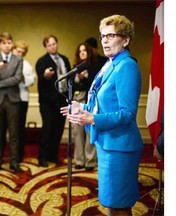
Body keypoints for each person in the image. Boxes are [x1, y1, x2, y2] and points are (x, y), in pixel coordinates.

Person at [60, 14, 143, 215]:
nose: (104, 40)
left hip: (120, 148)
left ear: (126, 40)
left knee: (119, 204)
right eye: (103, 35)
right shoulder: (109, 64)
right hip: (107, 145)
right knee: (111, 202)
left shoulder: (127, 66)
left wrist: (92, 119)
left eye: (111, 35)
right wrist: (82, 108)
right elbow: (102, 103)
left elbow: (127, 114)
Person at [0, 32, 23, 172]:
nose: (7, 45)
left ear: (11, 44)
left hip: (13, 100)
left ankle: (13, 162)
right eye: (4, 43)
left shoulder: (18, 59)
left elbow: (17, 78)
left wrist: (0, 83)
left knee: (14, 134)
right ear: (0, 44)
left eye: (9, 42)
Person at [36, 34, 71, 167]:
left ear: (57, 44)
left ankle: (53, 155)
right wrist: (45, 75)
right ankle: (42, 157)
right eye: (49, 45)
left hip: (62, 99)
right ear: (46, 47)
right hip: (47, 101)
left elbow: (69, 77)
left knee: (58, 129)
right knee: (47, 129)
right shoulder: (42, 61)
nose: (52, 47)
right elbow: (41, 77)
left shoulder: (64, 59)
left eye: (54, 44)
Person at [72, 42, 99, 171]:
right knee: (77, 133)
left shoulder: (94, 67)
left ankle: (90, 161)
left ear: (89, 53)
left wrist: (83, 79)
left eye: (85, 51)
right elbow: (71, 86)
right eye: (80, 51)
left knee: (89, 132)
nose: (82, 53)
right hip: (76, 101)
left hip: (89, 103)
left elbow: (93, 87)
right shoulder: (74, 68)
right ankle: (79, 160)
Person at [12, 40, 35, 162]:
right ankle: (11, 155)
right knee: (11, 129)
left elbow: (31, 80)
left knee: (20, 129)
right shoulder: (7, 63)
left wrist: (22, 77)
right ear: (13, 50)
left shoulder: (26, 65)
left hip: (22, 99)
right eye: (18, 51)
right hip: (8, 100)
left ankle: (19, 157)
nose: (19, 54)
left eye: (22, 52)